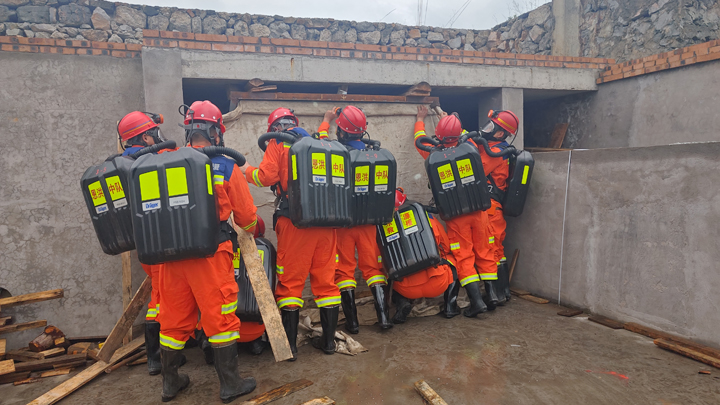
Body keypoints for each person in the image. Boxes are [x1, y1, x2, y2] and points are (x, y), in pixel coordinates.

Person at [159, 100, 258, 403]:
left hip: (171, 255)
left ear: (188, 129)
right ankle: (230, 384)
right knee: (220, 318)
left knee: (173, 319)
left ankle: (170, 383)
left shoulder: (165, 161)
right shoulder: (225, 165)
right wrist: (252, 228)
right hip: (210, 254)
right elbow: (247, 218)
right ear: (216, 132)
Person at [241, 107, 340, 359]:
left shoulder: (277, 142)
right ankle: (329, 343)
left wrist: (245, 169)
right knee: (327, 282)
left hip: (295, 223)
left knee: (290, 284)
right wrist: (326, 121)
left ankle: (291, 347)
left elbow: (266, 177)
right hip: (327, 224)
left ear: (275, 128)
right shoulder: (318, 144)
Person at [413, 106, 498, 316]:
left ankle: (477, 302)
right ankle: (492, 295)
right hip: (479, 213)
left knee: (464, 256)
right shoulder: (470, 147)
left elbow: (419, 139)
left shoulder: (433, 155)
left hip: (456, 217)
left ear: (438, 135)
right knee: (485, 252)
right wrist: (450, 120)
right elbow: (465, 136)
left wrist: (420, 119)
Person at [318, 106, 393, 333]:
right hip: (369, 222)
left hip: (344, 223)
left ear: (341, 131)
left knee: (344, 271)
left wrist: (326, 120)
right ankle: (383, 318)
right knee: (373, 268)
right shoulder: (375, 155)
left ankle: (352, 323)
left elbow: (320, 143)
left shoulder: (336, 153)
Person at [117, 111, 173, 376]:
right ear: (146, 137)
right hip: (162, 240)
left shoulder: (122, 165)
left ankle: (157, 357)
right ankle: (158, 358)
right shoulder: (151, 161)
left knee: (159, 294)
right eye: (155, 133)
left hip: (143, 244)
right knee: (162, 297)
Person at [391, 188, 460, 324]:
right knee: (453, 260)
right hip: (437, 283)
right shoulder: (428, 217)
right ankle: (450, 307)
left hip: (406, 288)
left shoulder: (385, 226)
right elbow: (446, 247)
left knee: (390, 271)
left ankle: (401, 304)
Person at [478, 110, 520, 304]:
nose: (486, 129)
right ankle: (502, 293)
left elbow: (477, 170)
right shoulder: (496, 147)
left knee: (492, 250)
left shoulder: (495, 152)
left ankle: (497, 295)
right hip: (493, 208)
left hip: (491, 208)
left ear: (500, 133)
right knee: (496, 250)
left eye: (491, 127)